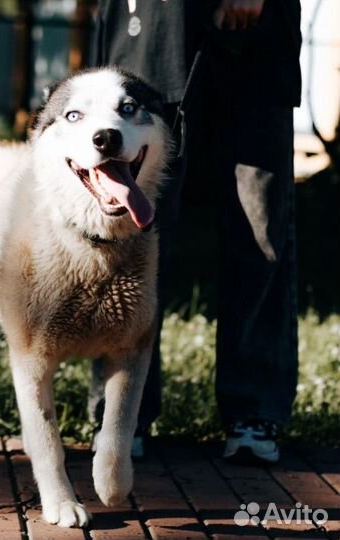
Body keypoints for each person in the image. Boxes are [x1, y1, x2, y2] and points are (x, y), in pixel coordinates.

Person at [89, 0, 302, 464]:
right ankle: (123, 411)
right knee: (131, 231)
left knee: (259, 231)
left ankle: (254, 409)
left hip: (257, 37)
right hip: (149, 30)